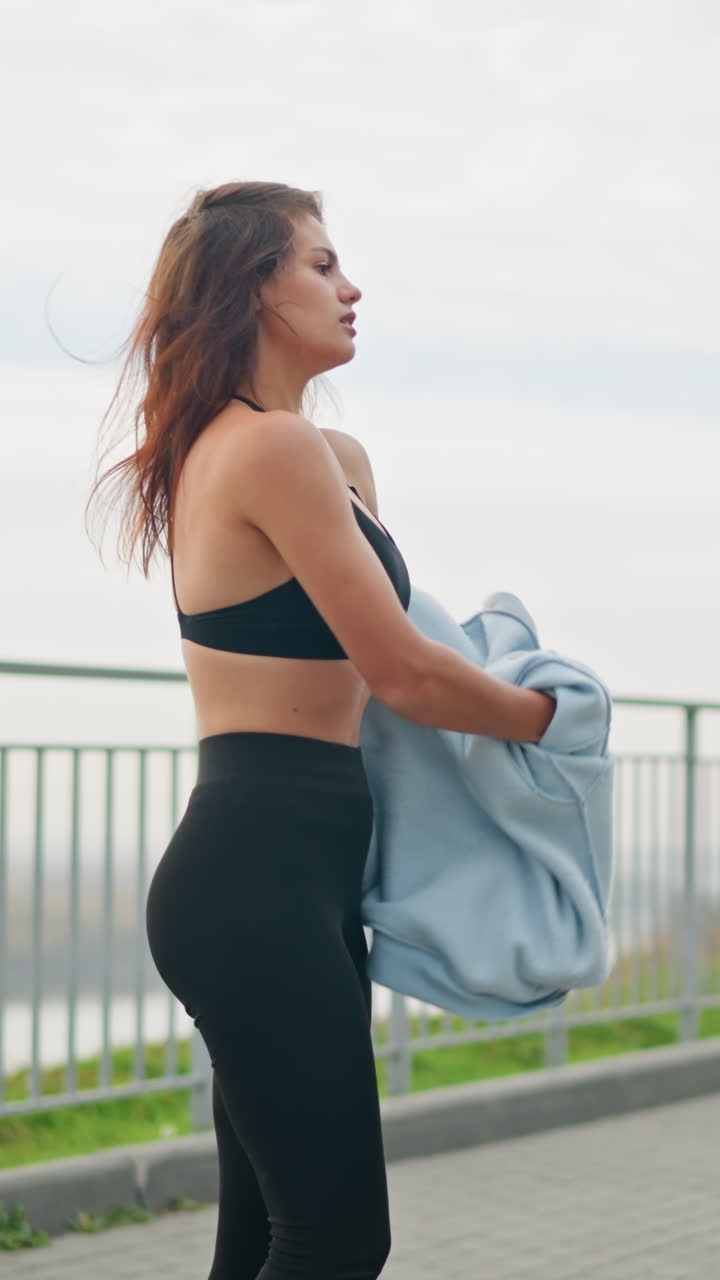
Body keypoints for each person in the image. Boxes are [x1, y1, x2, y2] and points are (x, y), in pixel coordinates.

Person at [87, 181, 555, 1280]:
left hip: (307, 873)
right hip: (250, 876)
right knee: (338, 1237)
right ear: (253, 287)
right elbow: (400, 671)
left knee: (266, 1237)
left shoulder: (328, 456)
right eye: (321, 264)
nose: (353, 288)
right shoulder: (264, 450)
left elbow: (401, 644)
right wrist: (559, 720)